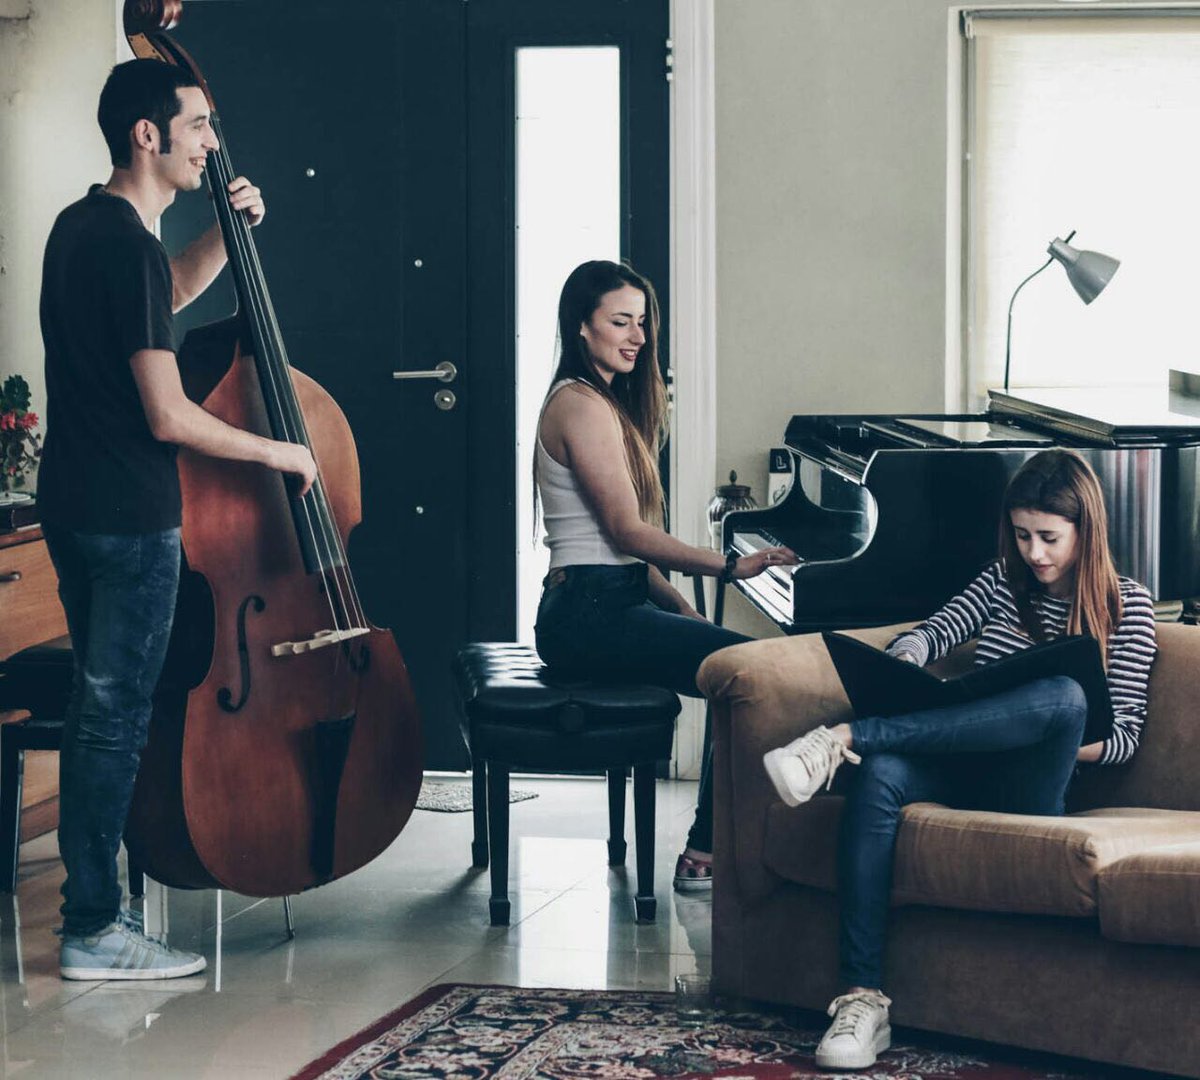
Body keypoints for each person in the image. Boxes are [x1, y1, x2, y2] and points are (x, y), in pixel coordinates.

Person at [38, 59, 317, 981]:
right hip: (129, 512)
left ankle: (90, 915)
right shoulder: (121, 244)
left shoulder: (87, 230)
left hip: (76, 504)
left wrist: (226, 234)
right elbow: (167, 413)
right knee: (114, 717)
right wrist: (280, 451)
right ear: (147, 135)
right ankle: (94, 929)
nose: (211, 142)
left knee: (99, 708)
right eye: (198, 125)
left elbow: (168, 297)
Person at [761, 449, 1157, 1070]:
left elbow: (1127, 736)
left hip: (1033, 786)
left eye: (1050, 538)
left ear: (1087, 531)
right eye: (1023, 535)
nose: (1035, 553)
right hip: (958, 763)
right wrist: (909, 657)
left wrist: (1041, 729)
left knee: (1065, 696)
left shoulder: (1130, 608)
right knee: (885, 775)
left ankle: (845, 739)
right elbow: (934, 631)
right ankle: (862, 1002)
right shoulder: (1002, 580)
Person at [532, 259, 797, 892]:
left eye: (642, 322)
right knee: (752, 673)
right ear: (580, 328)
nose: (637, 337)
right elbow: (626, 535)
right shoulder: (579, 406)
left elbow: (621, 555)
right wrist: (732, 567)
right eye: (619, 321)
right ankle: (707, 850)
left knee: (747, 669)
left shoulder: (601, 402)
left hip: (607, 601)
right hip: (587, 615)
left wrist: (679, 606)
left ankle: (716, 844)